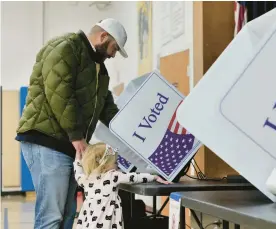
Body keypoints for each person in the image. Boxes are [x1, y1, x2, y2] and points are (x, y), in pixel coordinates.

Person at [15, 18, 128, 229]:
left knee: (68, 214)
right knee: (52, 215)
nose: (113, 54)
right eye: (114, 48)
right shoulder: (66, 47)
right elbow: (60, 94)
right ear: (103, 37)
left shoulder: (99, 70)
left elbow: (106, 108)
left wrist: (131, 130)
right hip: (46, 139)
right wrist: (77, 136)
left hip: (67, 143)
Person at [74, 143, 170, 229]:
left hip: (88, 222)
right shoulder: (112, 176)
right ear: (105, 165)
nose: (118, 165)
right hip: (107, 223)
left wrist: (78, 159)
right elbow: (134, 177)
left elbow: (78, 174)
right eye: (115, 162)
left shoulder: (86, 179)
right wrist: (154, 177)